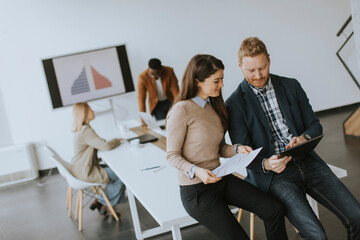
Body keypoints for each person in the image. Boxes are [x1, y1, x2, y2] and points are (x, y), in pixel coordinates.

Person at [226, 37, 360, 239]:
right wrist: (267, 164)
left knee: (357, 216)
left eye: (262, 68)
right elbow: (244, 153)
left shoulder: (291, 86)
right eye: (251, 70)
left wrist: (303, 138)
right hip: (275, 176)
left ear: (269, 60)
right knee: (317, 235)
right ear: (239, 66)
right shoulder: (235, 104)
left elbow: (315, 125)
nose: (258, 75)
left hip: (307, 160)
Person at [166, 54, 288, 240]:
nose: (221, 85)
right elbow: (172, 156)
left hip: (220, 178)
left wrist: (238, 149)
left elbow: (220, 147)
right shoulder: (181, 110)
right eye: (216, 80)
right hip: (196, 191)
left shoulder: (214, 107)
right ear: (198, 81)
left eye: (222, 79)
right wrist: (198, 171)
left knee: (274, 210)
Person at [70, 102, 126, 216]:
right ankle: (104, 202)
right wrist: (117, 140)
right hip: (86, 172)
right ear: (84, 113)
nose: (93, 111)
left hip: (81, 168)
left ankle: (101, 201)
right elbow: (106, 146)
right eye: (90, 109)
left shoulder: (83, 129)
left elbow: (100, 143)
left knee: (118, 170)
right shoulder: (86, 131)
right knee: (123, 175)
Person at [138, 58, 179, 126]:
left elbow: (175, 91)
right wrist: (143, 119)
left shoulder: (169, 71)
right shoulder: (142, 77)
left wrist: (179, 106)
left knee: (176, 121)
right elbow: (141, 98)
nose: (154, 77)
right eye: (152, 74)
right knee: (163, 125)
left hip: (170, 101)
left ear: (161, 69)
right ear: (149, 69)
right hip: (157, 105)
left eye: (156, 74)